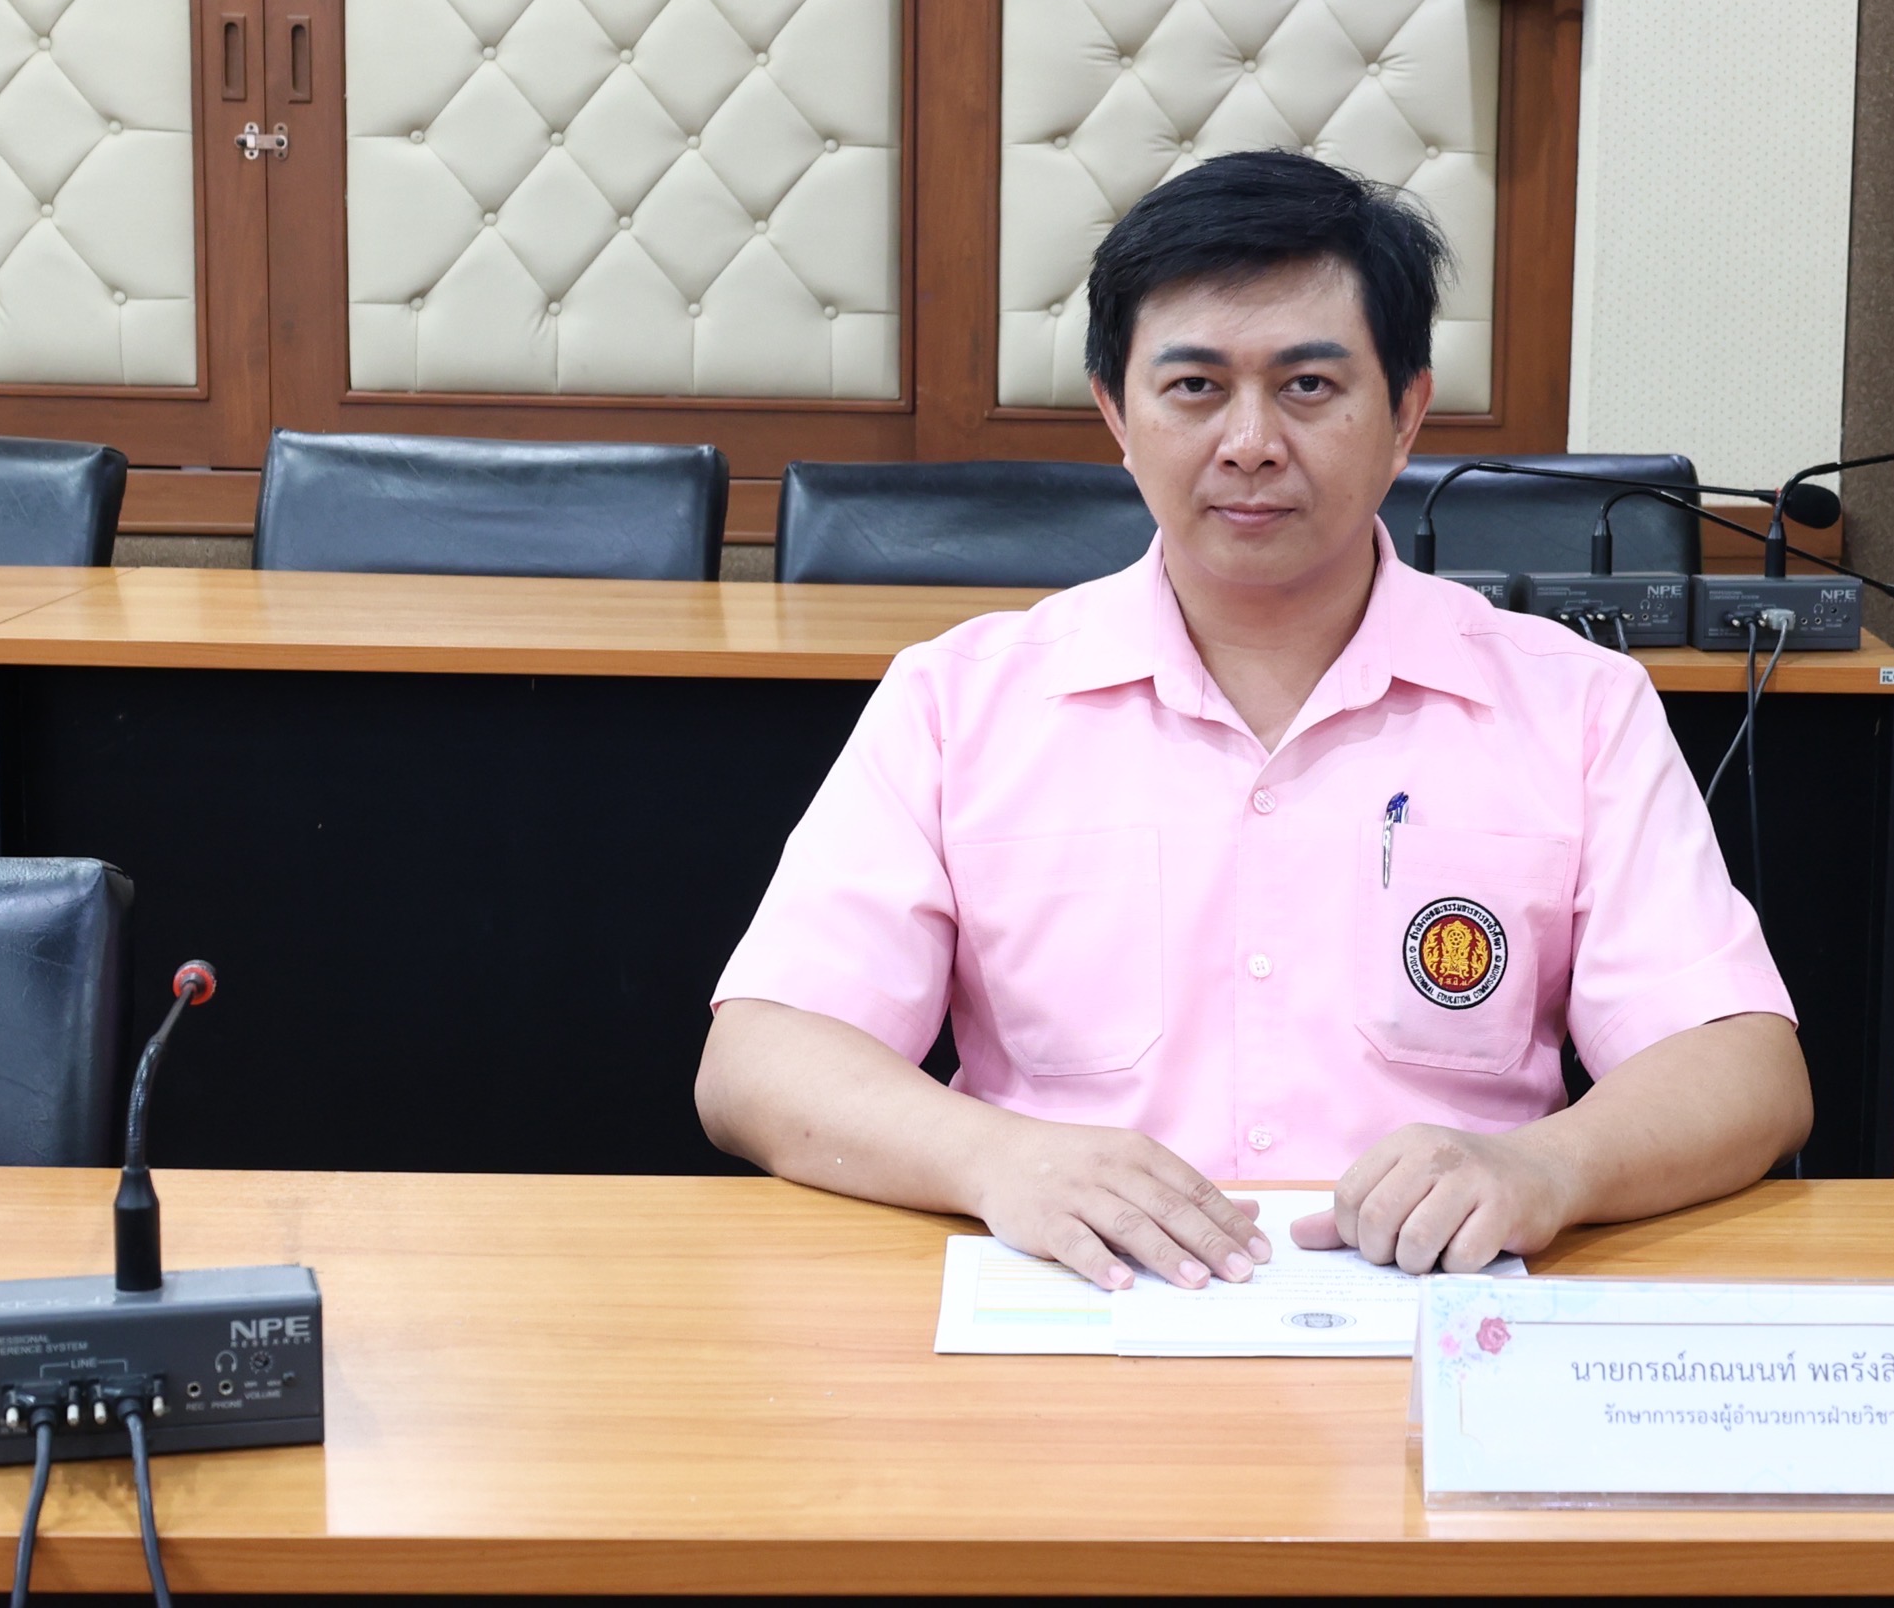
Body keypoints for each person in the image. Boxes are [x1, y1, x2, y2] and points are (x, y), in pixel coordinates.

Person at [697, 151, 1811, 1290]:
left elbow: (1742, 1066)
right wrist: (997, 1159)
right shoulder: (958, 700)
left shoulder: (1575, 705)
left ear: (1406, 412)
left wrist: (1546, 1168)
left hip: (1440, 1318)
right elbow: (760, 1058)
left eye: (1308, 386)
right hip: (1072, 1314)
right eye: (1194, 387)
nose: (1250, 442)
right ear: (1116, 413)